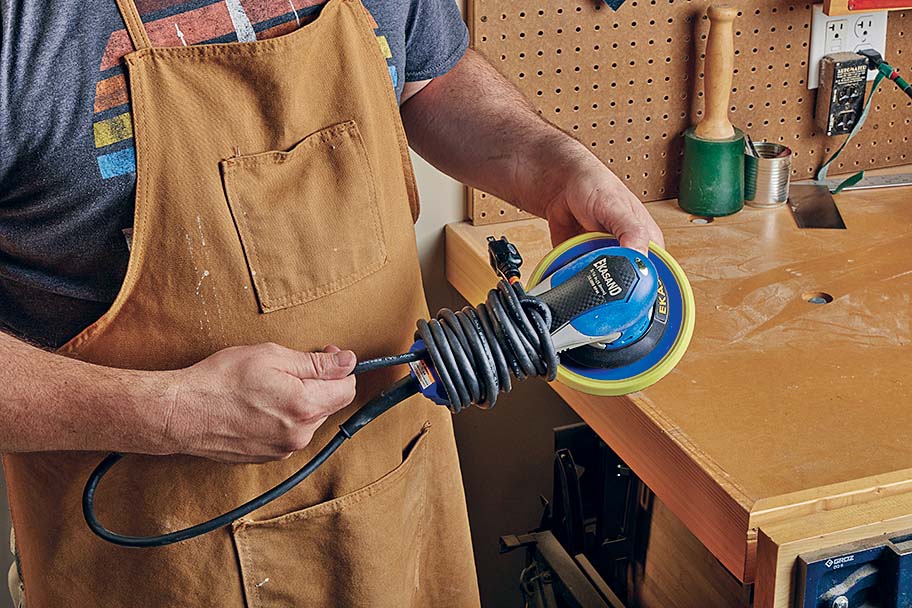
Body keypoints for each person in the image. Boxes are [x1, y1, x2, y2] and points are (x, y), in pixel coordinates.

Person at [0, 0, 664, 606]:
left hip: (395, 521)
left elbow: (427, 74)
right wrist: (170, 414)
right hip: (154, 559)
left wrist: (554, 167)